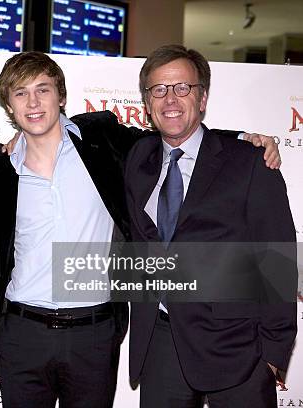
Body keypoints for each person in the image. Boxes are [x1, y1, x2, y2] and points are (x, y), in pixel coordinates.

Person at [0, 51, 281, 408]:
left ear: (61, 96)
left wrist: (243, 137)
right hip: (22, 332)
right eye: (20, 93)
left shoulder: (101, 141)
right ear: (8, 104)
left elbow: (177, 132)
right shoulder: (0, 168)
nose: (33, 102)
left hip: (94, 333)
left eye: (43, 90)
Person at [125, 44, 297, 408]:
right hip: (162, 345)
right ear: (147, 103)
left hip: (237, 347)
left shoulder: (249, 163)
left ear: (202, 98)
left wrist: (274, 351)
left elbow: (277, 261)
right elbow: (86, 128)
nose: (170, 98)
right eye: (159, 90)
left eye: (182, 87)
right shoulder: (137, 157)